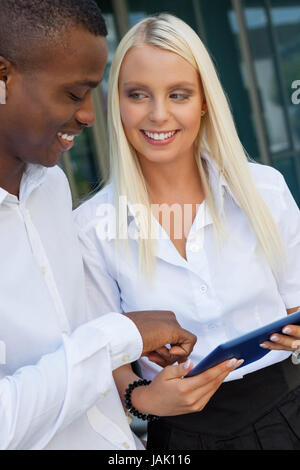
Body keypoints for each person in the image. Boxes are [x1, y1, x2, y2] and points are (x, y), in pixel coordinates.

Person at [74, 14, 300, 450]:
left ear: (203, 101)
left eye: (178, 94)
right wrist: (145, 400)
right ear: (115, 103)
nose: (158, 114)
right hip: (180, 439)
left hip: (287, 414)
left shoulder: (264, 190)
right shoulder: (90, 230)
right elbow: (104, 362)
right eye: (138, 95)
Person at [0, 1, 205, 451]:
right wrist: (118, 336)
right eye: (73, 94)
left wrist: (127, 353)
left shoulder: (51, 188)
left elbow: (70, 342)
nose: (90, 115)